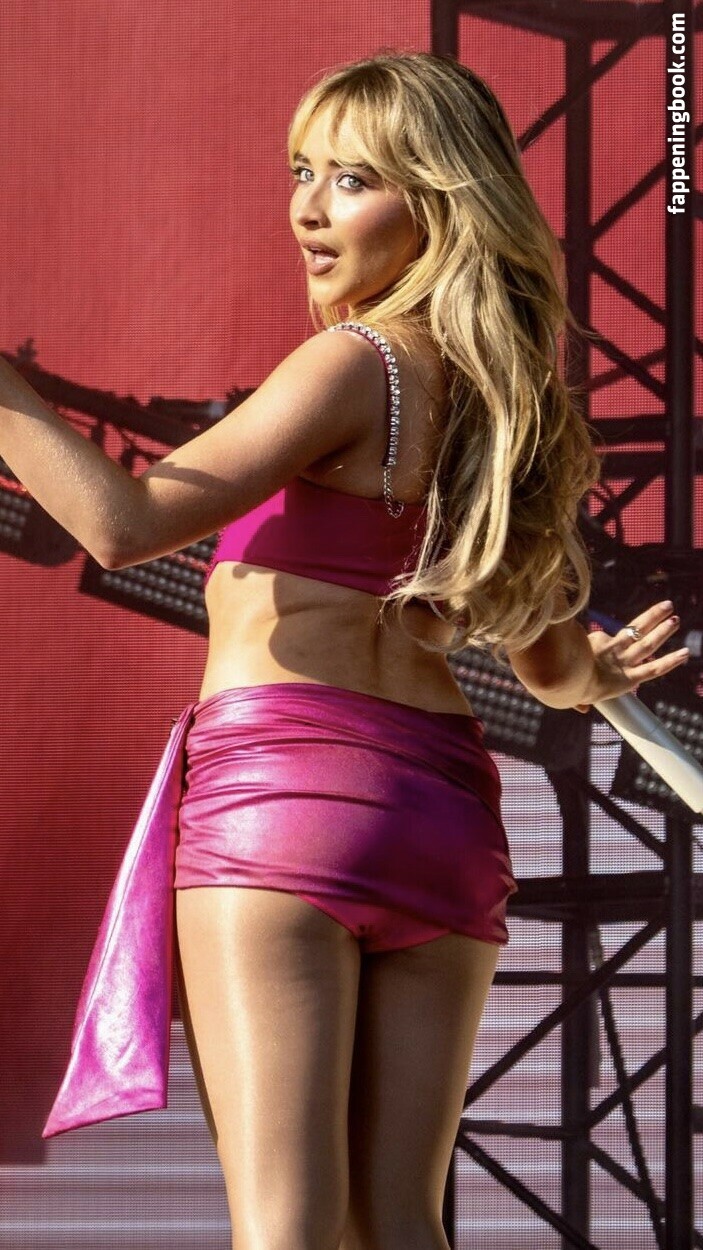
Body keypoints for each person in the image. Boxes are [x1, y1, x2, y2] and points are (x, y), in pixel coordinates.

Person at [2, 49, 688, 1250]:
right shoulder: (506, 403)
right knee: (401, 1224)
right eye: (301, 172)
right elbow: (549, 666)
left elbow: (123, 523)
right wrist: (600, 672)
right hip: (443, 821)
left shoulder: (354, 362)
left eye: (354, 179)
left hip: (288, 799)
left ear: (440, 201)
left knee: (289, 1228)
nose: (310, 209)